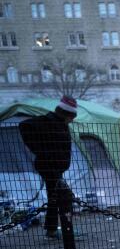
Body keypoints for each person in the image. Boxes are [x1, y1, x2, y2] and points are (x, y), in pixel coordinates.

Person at [19, 95, 77, 240]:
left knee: (54, 197)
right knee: (66, 196)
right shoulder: (48, 121)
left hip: (56, 168)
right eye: (72, 116)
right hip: (49, 167)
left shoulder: (62, 124)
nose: (73, 119)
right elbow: (24, 125)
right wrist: (40, 150)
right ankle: (66, 230)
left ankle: (51, 230)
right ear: (66, 113)